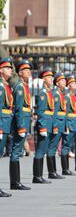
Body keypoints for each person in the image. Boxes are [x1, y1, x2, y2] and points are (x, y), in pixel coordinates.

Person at [9, 59, 32, 191]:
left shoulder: (24, 86)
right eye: (26, 70)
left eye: (29, 70)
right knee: (16, 151)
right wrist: (21, 126)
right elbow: (18, 109)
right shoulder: (19, 87)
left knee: (18, 151)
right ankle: (15, 182)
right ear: (20, 73)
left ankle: (16, 181)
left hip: (24, 120)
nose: (29, 72)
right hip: (21, 122)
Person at [32, 68, 55, 184]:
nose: (51, 79)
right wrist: (42, 127)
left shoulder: (48, 93)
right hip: (44, 124)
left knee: (44, 150)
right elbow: (40, 111)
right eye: (49, 77)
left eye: (52, 77)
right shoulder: (42, 93)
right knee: (40, 151)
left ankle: (39, 175)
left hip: (49, 123)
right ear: (44, 79)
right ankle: (37, 176)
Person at [46, 72, 66, 179]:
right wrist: (55, 125)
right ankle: (51, 172)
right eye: (62, 80)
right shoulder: (56, 95)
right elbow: (54, 112)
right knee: (52, 148)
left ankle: (53, 171)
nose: (64, 82)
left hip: (60, 123)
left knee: (53, 147)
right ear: (57, 84)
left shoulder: (60, 94)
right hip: (57, 123)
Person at [60, 74, 76, 176]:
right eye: (72, 83)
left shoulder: (74, 97)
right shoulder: (67, 97)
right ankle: (65, 169)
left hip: (74, 123)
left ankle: (67, 168)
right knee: (65, 146)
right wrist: (65, 125)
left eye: (75, 83)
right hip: (69, 124)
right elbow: (66, 113)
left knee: (68, 146)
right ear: (68, 85)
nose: (74, 84)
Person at [0, 57, 13, 197]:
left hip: (5, 123)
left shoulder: (5, 86)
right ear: (1, 70)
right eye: (8, 68)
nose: (10, 70)